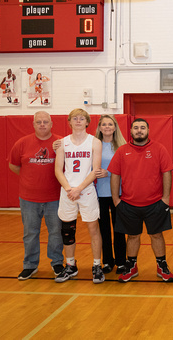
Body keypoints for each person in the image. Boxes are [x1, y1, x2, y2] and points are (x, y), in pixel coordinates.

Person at [109, 118, 173, 283]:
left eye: (142, 128)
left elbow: (167, 172)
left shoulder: (159, 149)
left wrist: (165, 198)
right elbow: (115, 175)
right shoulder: (122, 151)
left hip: (155, 203)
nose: (139, 130)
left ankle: (162, 266)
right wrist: (116, 199)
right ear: (131, 131)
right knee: (132, 236)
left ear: (148, 130)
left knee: (157, 235)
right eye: (136, 128)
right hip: (129, 204)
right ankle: (132, 266)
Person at [9, 111, 64, 280]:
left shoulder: (60, 143)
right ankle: (30, 265)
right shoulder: (22, 143)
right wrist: (31, 180)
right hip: (28, 199)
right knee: (30, 233)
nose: (42, 124)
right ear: (33, 124)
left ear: (51, 123)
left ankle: (56, 263)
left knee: (56, 232)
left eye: (45, 122)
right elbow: (14, 165)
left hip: (54, 198)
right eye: (38, 122)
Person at [54, 108, 104, 284]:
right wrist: (69, 189)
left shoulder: (95, 142)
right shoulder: (62, 143)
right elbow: (58, 170)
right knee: (67, 230)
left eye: (81, 118)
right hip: (67, 191)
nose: (78, 121)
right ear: (69, 122)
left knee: (93, 229)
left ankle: (97, 265)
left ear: (87, 122)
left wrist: (79, 188)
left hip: (86, 190)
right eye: (74, 118)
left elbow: (95, 170)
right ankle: (70, 265)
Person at [94, 115, 127, 275]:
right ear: (99, 127)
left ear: (115, 127)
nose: (107, 127)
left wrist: (109, 173)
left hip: (118, 194)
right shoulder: (94, 145)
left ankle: (121, 262)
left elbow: (128, 171)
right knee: (103, 230)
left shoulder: (122, 146)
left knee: (119, 229)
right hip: (99, 194)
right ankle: (107, 261)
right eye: (104, 124)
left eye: (110, 124)